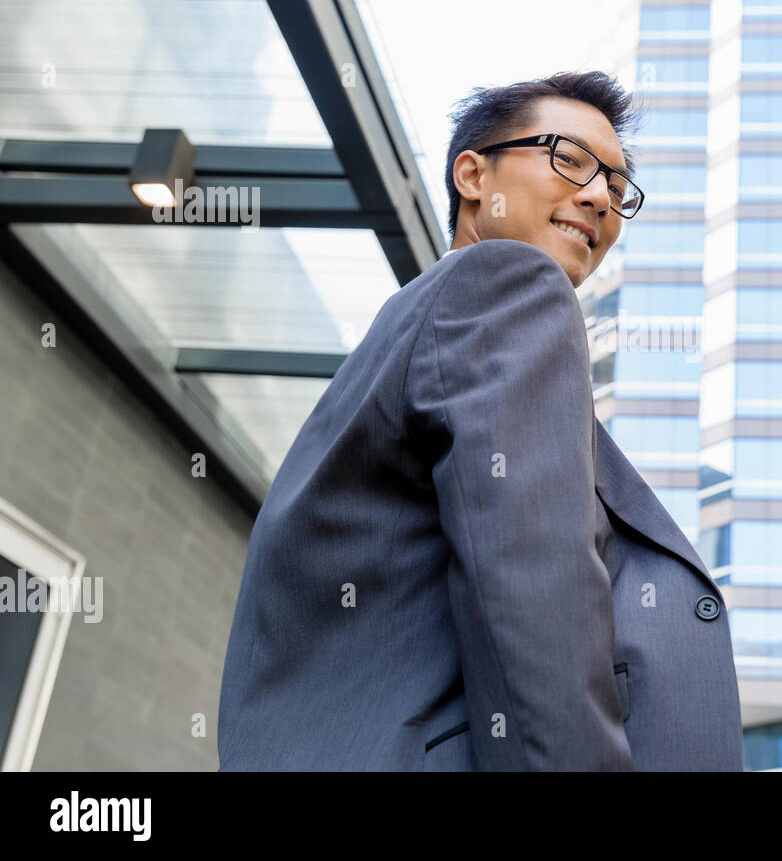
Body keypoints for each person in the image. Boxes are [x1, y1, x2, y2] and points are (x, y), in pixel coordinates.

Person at [218, 70, 743, 770]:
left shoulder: (423, 320)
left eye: (618, 189)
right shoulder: (509, 285)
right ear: (472, 174)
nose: (599, 199)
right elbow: (532, 589)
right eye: (570, 159)